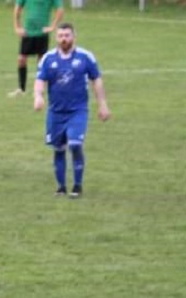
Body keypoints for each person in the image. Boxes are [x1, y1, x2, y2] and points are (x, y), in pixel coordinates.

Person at [33, 22, 111, 198]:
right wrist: (38, 96)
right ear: (56, 38)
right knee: (58, 148)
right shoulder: (48, 58)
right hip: (56, 112)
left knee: (75, 145)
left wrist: (102, 104)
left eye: (67, 35)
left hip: (78, 111)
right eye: (60, 36)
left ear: (74, 37)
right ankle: (61, 187)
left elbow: (96, 80)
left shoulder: (85, 57)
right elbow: (40, 80)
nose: (64, 39)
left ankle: (77, 186)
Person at [9, 0, 63, 98]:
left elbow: (60, 9)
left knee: (41, 61)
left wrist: (52, 26)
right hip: (28, 32)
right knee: (21, 59)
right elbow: (18, 8)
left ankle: (39, 90)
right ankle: (21, 89)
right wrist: (17, 26)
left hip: (42, 33)